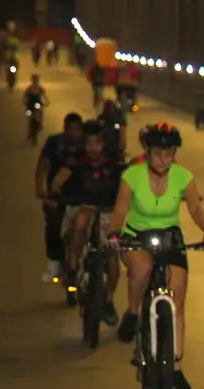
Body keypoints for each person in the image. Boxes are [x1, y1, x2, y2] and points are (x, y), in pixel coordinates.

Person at [106, 123, 204, 389]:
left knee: (178, 302)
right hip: (136, 236)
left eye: (170, 153)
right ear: (148, 152)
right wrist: (113, 232)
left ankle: (177, 368)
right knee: (142, 268)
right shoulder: (132, 175)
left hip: (170, 239)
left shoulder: (183, 176)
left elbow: (195, 206)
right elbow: (121, 208)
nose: (164, 159)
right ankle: (134, 313)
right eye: (159, 153)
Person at [49, 120, 124, 323]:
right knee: (81, 222)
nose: (93, 148)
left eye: (97, 143)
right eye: (89, 143)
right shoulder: (75, 161)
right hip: (81, 207)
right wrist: (55, 192)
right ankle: (72, 268)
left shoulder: (114, 162)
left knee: (112, 255)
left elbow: (128, 181)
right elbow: (59, 180)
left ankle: (108, 300)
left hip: (107, 212)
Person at [35, 113, 84, 283]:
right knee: (53, 223)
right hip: (58, 195)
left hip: (84, 195)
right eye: (69, 129)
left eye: (77, 129)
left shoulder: (89, 145)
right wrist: (40, 189)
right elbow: (43, 166)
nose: (73, 133)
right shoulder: (54, 143)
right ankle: (54, 261)